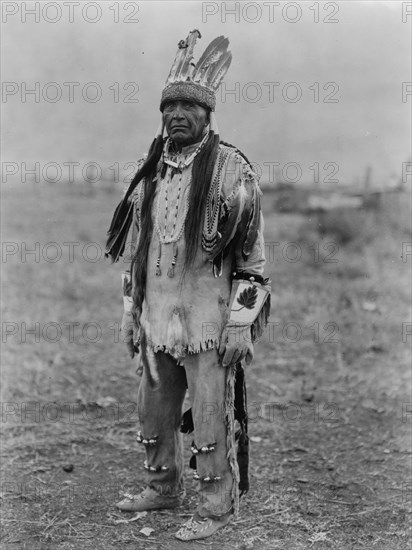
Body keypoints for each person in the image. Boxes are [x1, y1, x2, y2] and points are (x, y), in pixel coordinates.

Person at [105, 30, 271, 541]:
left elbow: (253, 260)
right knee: (152, 410)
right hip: (157, 318)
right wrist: (132, 312)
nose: (176, 114)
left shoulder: (230, 170)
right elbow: (135, 253)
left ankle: (217, 506)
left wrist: (240, 324)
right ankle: (161, 487)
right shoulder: (150, 172)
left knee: (209, 414)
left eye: (187, 106)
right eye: (169, 105)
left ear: (207, 114)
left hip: (207, 321)